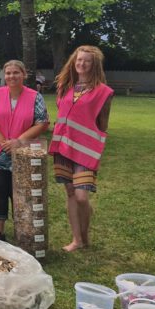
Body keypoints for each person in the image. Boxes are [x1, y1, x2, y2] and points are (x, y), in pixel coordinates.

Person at [49, 45, 114, 252]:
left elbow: (103, 124)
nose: (81, 64)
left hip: (85, 151)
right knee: (70, 193)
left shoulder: (103, 92)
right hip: (63, 146)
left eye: (86, 61)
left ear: (94, 65)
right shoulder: (65, 86)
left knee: (81, 197)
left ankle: (85, 236)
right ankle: (77, 239)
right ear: (73, 61)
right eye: (79, 60)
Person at [0, 60, 49, 241]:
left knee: (22, 195)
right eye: (8, 73)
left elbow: (42, 123)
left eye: (16, 72)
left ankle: (25, 233)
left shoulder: (35, 97)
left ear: (24, 74)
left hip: (23, 155)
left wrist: (19, 141)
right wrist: (4, 143)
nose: (11, 76)